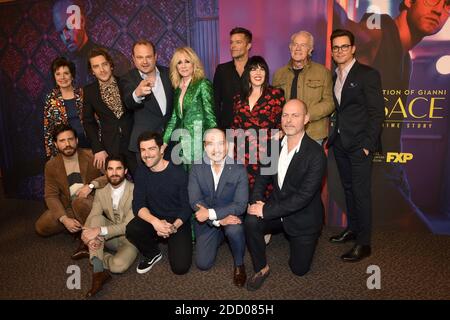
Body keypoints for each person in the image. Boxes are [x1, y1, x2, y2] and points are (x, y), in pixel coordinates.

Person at [331, 0, 450, 229]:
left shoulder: (406, 59)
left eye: (447, 6)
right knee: (419, 240)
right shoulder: (380, 27)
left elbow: (390, 124)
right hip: (358, 167)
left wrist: (397, 168)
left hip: (384, 168)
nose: (438, 9)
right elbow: (344, 21)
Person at [245, 99, 326, 291]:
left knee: (299, 270)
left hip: (303, 217)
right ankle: (261, 268)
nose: (288, 120)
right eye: (285, 115)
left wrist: (267, 210)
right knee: (250, 220)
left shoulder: (315, 154)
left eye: (295, 115)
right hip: (277, 208)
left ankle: (303, 240)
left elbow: (304, 197)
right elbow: (262, 178)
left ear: (306, 119)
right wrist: (256, 203)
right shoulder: (274, 146)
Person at [327, 29, 384, 262]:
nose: (339, 50)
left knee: (361, 194)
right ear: (332, 51)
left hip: (360, 145)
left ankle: (364, 243)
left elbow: (377, 113)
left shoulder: (367, 74)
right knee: (348, 189)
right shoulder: (334, 76)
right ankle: (352, 229)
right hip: (340, 142)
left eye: (344, 46)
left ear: (353, 49)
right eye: (335, 47)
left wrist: (368, 145)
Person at [35, 124, 107, 259]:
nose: (67, 144)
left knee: (79, 203)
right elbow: (50, 196)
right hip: (68, 206)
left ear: (77, 140)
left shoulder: (91, 155)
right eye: (62, 141)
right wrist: (64, 219)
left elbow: (110, 176)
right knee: (41, 227)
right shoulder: (51, 165)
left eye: (70, 139)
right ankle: (79, 226)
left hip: (89, 202)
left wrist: (91, 186)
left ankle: (88, 240)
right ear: (56, 144)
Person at [188, 128, 248, 287]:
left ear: (227, 146)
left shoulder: (238, 169)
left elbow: (241, 205)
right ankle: (220, 236)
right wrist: (216, 220)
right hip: (208, 222)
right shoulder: (196, 167)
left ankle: (239, 264)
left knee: (234, 229)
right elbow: (195, 200)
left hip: (230, 216)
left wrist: (212, 213)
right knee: (203, 264)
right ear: (204, 147)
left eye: (221, 143)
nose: (216, 149)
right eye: (210, 144)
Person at [126, 131, 192, 275]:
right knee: (132, 229)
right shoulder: (141, 172)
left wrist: (172, 227)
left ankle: (172, 240)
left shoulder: (178, 173)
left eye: (152, 149)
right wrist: (155, 222)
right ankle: (153, 253)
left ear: (162, 149)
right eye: (143, 150)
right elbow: (138, 204)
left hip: (177, 221)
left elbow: (187, 207)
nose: (147, 154)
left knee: (180, 268)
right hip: (155, 218)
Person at [81, 155, 138, 298]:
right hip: (110, 237)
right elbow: (93, 216)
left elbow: (127, 226)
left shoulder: (135, 191)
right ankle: (98, 272)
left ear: (125, 171)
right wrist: (86, 234)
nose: (114, 173)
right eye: (110, 169)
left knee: (118, 266)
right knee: (96, 219)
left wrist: (98, 232)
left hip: (130, 238)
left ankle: (94, 255)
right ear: (106, 172)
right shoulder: (101, 191)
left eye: (118, 168)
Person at [232, 55, 285, 192]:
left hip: (266, 151)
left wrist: (281, 132)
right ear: (247, 73)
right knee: (242, 192)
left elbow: (283, 121)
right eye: (254, 69)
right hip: (242, 154)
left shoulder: (276, 94)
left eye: (262, 69)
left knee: (264, 193)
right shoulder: (238, 98)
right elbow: (235, 127)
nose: (258, 73)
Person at [273, 30, 334, 145]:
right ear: (290, 47)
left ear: (310, 49)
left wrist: (306, 115)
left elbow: (330, 102)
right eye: (295, 44)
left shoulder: (323, 73)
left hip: (313, 134)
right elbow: (275, 105)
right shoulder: (279, 74)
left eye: (303, 45)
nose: (298, 48)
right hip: (286, 134)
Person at [82, 47, 136, 173]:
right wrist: (97, 148)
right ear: (92, 71)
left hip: (133, 143)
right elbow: (88, 122)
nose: (101, 70)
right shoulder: (89, 91)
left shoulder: (125, 82)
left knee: (141, 181)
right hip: (110, 147)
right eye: (96, 67)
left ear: (111, 65)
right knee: (114, 186)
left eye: (104, 64)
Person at [52, 0, 131, 86]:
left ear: (82, 21)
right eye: (60, 32)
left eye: (69, 28)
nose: (66, 37)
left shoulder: (113, 59)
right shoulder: (58, 69)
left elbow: (128, 95)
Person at [163, 47, 217, 170]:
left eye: (187, 61)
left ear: (194, 64)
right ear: (175, 67)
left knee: (198, 182)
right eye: (179, 62)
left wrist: (212, 143)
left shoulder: (203, 84)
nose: (183, 66)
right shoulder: (177, 88)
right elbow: (174, 118)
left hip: (199, 142)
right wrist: (164, 142)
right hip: (180, 143)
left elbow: (210, 116)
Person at [121, 39, 173, 161]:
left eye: (148, 57)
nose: (144, 61)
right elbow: (128, 101)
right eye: (139, 57)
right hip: (145, 146)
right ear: (133, 59)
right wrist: (137, 93)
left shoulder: (169, 74)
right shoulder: (128, 78)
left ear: (155, 56)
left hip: (172, 142)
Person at [43, 57, 89, 158]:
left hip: (87, 143)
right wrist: (50, 155)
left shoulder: (83, 94)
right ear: (54, 77)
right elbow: (48, 129)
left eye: (66, 73)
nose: (62, 77)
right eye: (58, 74)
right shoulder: (51, 99)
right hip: (66, 147)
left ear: (72, 75)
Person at [213, 27, 252, 129]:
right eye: (231, 42)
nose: (233, 46)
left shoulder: (257, 69)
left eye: (238, 42)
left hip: (253, 130)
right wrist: (219, 129)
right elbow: (215, 102)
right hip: (228, 129)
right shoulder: (222, 70)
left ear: (248, 46)